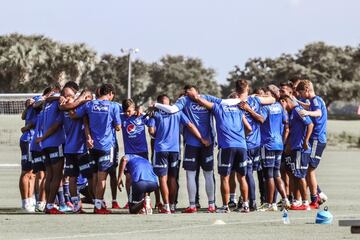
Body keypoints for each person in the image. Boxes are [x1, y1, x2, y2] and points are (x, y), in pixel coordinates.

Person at [187, 90, 252, 213]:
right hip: (242, 146)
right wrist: (241, 137)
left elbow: (200, 100)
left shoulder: (219, 108)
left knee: (225, 178)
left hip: (227, 146)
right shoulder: (239, 110)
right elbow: (249, 128)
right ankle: (246, 205)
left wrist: (194, 95)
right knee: (242, 177)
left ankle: (225, 206)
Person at [148, 94, 209, 214]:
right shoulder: (178, 112)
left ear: (159, 103)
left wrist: (158, 135)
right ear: (169, 103)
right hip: (175, 150)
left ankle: (166, 207)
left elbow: (151, 131)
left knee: (163, 178)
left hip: (161, 150)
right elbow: (190, 125)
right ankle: (172, 205)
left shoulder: (155, 114)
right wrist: (201, 139)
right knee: (172, 178)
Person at [72, 83, 121, 214]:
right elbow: (117, 126)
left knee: (93, 176)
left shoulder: (89, 105)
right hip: (106, 146)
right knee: (102, 177)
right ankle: (99, 206)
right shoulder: (113, 106)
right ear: (110, 94)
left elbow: (75, 115)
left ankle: (96, 202)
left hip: (92, 146)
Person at [57, 86, 93, 213]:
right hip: (78, 148)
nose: (68, 98)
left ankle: (86, 201)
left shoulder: (66, 107)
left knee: (81, 176)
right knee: (81, 176)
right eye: (66, 96)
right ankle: (79, 204)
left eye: (71, 95)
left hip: (74, 148)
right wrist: (83, 100)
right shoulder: (76, 108)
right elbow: (75, 116)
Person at [258, 85, 291, 212]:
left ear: (270, 93)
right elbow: (285, 121)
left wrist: (249, 111)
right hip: (278, 143)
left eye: (265, 93)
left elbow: (261, 119)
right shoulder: (279, 106)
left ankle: (270, 203)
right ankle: (285, 199)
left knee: (269, 175)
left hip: (268, 144)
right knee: (277, 173)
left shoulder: (266, 107)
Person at [296, 80, 328, 208]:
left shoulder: (315, 100)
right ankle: (317, 196)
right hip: (317, 139)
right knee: (309, 169)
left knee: (309, 170)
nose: (301, 94)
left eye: (301, 92)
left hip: (316, 139)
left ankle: (315, 198)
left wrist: (307, 113)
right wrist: (297, 102)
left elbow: (318, 112)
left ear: (307, 90)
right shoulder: (317, 100)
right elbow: (310, 107)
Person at [280, 95, 314, 210]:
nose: (282, 107)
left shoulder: (298, 110)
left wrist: (305, 141)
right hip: (295, 148)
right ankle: (298, 201)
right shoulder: (291, 113)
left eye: (282, 104)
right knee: (296, 175)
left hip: (300, 148)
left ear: (286, 101)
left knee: (300, 175)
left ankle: (305, 203)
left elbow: (310, 124)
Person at [19, 96, 40, 212]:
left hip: (35, 141)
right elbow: (25, 115)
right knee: (26, 172)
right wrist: (29, 103)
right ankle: (25, 201)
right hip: (28, 139)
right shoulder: (39, 101)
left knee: (33, 173)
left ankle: (30, 199)